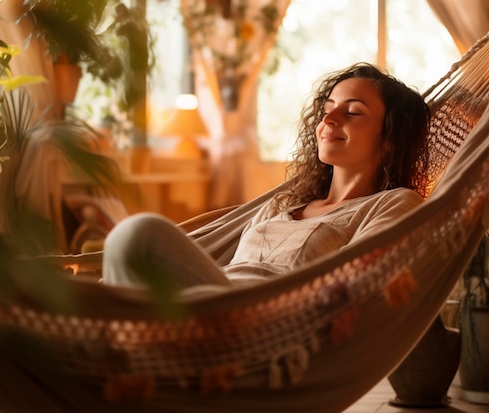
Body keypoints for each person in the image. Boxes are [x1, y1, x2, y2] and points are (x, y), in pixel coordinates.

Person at [103, 63, 430, 292]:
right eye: (327, 107)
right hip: (210, 300)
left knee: (139, 234)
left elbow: (361, 285)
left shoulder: (395, 203)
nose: (328, 118)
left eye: (353, 112)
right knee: (120, 258)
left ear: (389, 139)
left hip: (261, 327)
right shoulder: (284, 204)